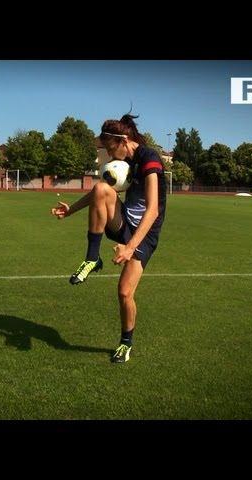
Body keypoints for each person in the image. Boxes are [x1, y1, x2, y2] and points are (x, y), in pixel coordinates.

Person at [51, 113, 167, 363]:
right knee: (101, 187)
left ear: (123, 140)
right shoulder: (125, 160)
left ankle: (126, 344)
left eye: (110, 148)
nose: (109, 155)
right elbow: (100, 195)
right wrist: (71, 209)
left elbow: (153, 210)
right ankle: (92, 258)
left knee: (125, 293)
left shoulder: (149, 159)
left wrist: (130, 247)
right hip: (123, 221)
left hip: (144, 234)